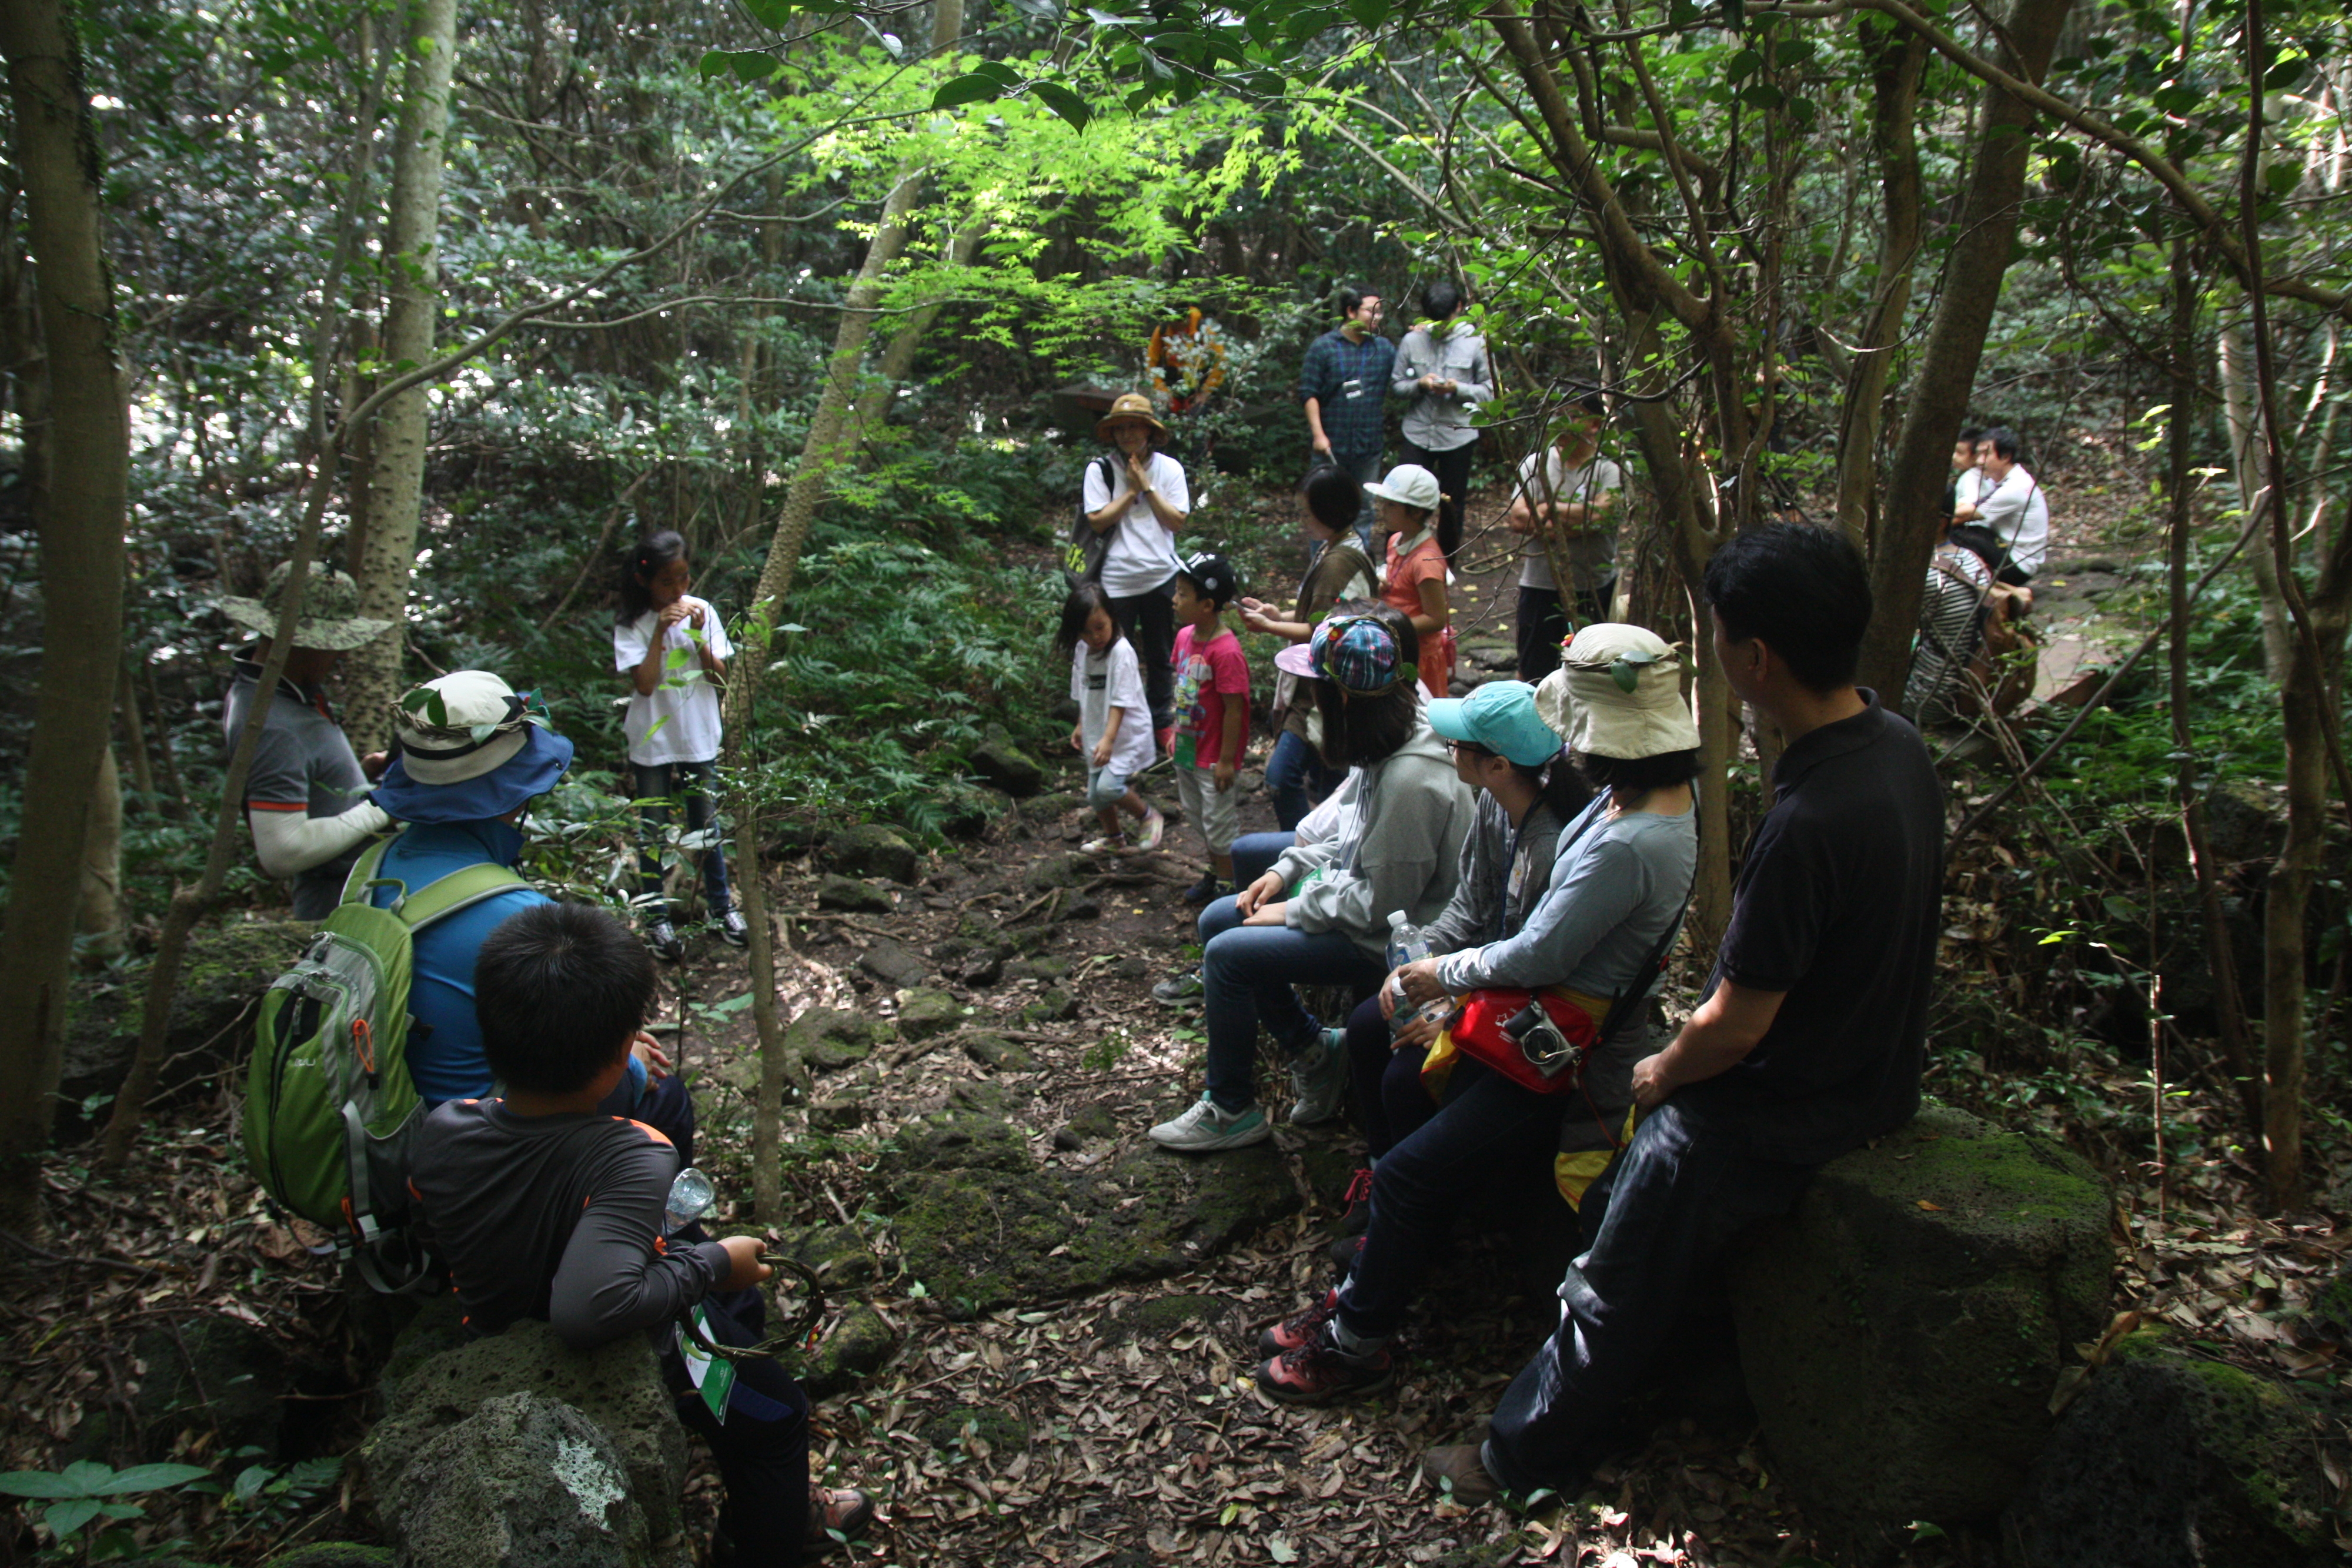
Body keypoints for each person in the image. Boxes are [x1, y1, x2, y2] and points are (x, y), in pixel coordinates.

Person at [1418, 522, 1943, 1506]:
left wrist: (1663, 1074)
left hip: (1789, 1099)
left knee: (1618, 1247)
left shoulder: (1808, 819)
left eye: (1720, 635)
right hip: (1878, 1068)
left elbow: (1737, 1026)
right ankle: (1678, 1376)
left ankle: (1517, 1455)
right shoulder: (1895, 746)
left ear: (1755, 657)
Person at [1257, 638, 1699, 1405]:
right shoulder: (1620, 801)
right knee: (1380, 1047)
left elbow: (1539, 950)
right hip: (1527, 1016)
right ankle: (1387, 1247)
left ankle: (1360, 1339)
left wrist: (1440, 979)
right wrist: (1428, 973)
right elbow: (1489, 920)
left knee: (1412, 1166)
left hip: (1562, 1052)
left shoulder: (1627, 840)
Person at [410, 901, 872, 1566]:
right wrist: (715, 1263)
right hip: (639, 1346)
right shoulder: (633, 1155)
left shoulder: (445, 1128)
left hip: (494, 1323)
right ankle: (765, 1539)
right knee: (776, 1417)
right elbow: (590, 1306)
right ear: (612, 1063)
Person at [1148, 608, 1474, 1153]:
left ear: (1341, 698)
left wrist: (1295, 909)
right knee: (1217, 919)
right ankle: (1313, 1049)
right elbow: (1351, 835)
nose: (1308, 701)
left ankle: (1231, 1106)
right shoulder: (1391, 738)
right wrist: (1286, 871)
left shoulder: (1412, 777)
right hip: (1368, 905)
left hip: (1402, 942)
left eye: (1314, 688)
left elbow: (1380, 907)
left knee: (1229, 955)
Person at [365, 669, 689, 1146]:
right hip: (481, 1139)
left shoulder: (373, 868)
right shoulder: (518, 919)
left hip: (388, 1121)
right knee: (668, 1101)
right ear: (515, 789)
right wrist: (630, 1058)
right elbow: (576, 1073)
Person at [217, 560, 397, 920]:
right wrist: (382, 805)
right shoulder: (272, 724)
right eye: (332, 644)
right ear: (298, 643)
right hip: (335, 904)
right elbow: (283, 851)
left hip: (354, 889)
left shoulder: (280, 693)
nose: (341, 654)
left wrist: (358, 784)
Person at [614, 530, 744, 961]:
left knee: (707, 825)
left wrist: (697, 635)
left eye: (684, 579)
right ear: (645, 581)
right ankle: (657, 918)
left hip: (699, 736)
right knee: (652, 828)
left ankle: (724, 909)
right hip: (652, 739)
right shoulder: (632, 622)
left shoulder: (703, 610)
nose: (679, 590)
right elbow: (646, 685)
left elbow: (721, 679)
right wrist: (660, 633)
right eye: (668, 582)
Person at [1237, 466, 1380, 831]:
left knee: (1281, 776)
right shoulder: (1339, 546)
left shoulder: (1338, 561)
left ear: (1329, 511)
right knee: (1329, 780)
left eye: (1306, 513)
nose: (1302, 521)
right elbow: (1323, 613)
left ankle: (1301, 848)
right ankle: (1325, 843)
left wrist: (1271, 627)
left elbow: (1325, 630)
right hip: (1326, 685)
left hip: (1322, 691)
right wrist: (1278, 614)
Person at [1081, 393, 1190, 744]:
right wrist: (1130, 491)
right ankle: (1120, 729)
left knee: (1161, 655)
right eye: (1121, 428)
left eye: (1135, 427)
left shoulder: (1170, 468)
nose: (1128, 434)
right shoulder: (1100, 469)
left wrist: (1147, 486)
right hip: (1116, 580)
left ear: (1150, 431)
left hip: (1161, 576)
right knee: (1116, 657)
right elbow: (1097, 521)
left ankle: (1160, 722)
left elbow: (1176, 521)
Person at [1508, 389, 1623, 681]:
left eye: (1572, 416)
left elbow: (1601, 517)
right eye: (1557, 415)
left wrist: (1546, 509)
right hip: (1539, 584)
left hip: (1592, 586)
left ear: (1595, 424)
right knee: (1535, 671)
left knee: (1590, 674)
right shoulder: (1535, 465)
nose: (1561, 423)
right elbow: (1519, 517)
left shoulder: (1611, 470)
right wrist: (1575, 521)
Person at [1055, 581, 1166, 854]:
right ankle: (1114, 838)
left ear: (1113, 617)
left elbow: (1121, 701)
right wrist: (1082, 725)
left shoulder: (1121, 652)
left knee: (1108, 787)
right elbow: (1082, 689)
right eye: (1085, 631)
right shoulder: (1083, 651)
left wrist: (1108, 739)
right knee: (1095, 794)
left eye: (1100, 627)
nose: (1095, 637)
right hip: (1098, 730)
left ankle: (1148, 817)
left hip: (1124, 734)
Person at [1168, 553, 1251, 907]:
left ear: (1207, 605)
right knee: (1196, 813)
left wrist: (1228, 760)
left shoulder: (1226, 651)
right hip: (1188, 745)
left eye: (1183, 594)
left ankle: (1229, 884)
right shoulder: (1185, 636)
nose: (1175, 599)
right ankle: (1215, 870)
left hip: (1214, 753)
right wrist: (1176, 731)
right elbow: (1183, 687)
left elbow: (1235, 708)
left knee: (1218, 821)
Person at [1393, 280, 1492, 567]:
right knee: (1403, 496)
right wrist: (1420, 385)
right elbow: (1397, 386)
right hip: (1417, 432)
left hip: (1457, 435)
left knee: (1451, 504)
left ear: (1459, 308)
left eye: (1445, 318)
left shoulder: (1476, 343)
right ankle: (1398, 560)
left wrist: (1457, 389)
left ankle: (1445, 565)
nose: (1441, 325)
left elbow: (1489, 392)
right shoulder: (1413, 340)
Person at [1298, 287, 1396, 546]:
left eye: (1380, 312)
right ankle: (1322, 566)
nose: (1377, 318)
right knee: (1324, 507)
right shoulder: (1323, 348)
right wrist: (1319, 435)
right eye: (1370, 311)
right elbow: (1309, 393)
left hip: (1368, 445)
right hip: (1331, 445)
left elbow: (1401, 381)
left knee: (1364, 508)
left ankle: (1355, 565)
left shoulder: (1383, 349)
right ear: (1351, 312)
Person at [1369, 463, 1455, 698]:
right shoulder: (1396, 541)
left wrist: (1387, 625)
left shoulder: (1426, 561)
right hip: (1396, 647)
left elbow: (1436, 619)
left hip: (1419, 658)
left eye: (1391, 505)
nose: (1382, 509)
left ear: (1416, 512)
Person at [1905, 510, 1994, 724]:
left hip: (1928, 702)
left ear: (1940, 523)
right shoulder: (1972, 559)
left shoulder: (1925, 574)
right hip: (1975, 696)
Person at [1951, 425, 2048, 584]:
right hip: (2006, 549)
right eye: (1979, 454)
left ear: (2005, 457)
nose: (1979, 461)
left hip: (2018, 565)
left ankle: (1983, 585)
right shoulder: (2001, 480)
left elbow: (1964, 515)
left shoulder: (2016, 487)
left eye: (1986, 454)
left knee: (1957, 534)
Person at [1943, 424, 1984, 521]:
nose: (1954, 457)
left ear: (1976, 456)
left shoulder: (1971, 476)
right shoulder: (1979, 475)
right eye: (1954, 451)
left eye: (1960, 453)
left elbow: (1969, 504)